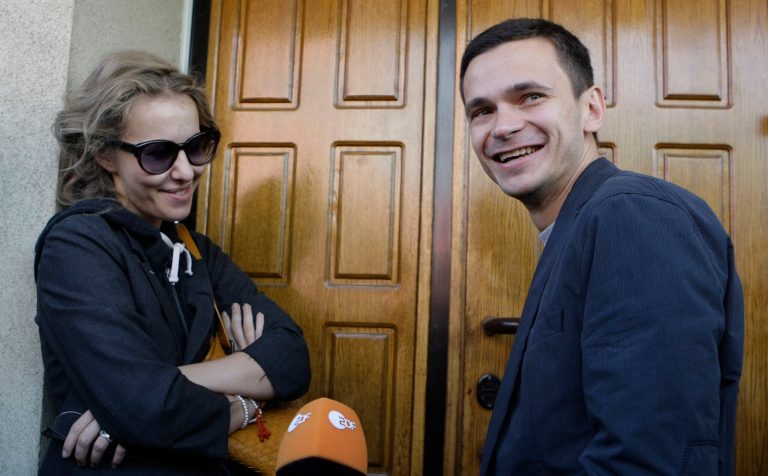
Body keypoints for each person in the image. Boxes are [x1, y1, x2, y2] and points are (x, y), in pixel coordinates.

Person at [460, 18, 743, 475]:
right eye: (481, 111)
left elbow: (647, 459)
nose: (504, 126)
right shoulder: (581, 224)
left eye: (530, 96)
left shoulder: (633, 216)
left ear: (591, 108)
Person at [34, 51, 311, 474]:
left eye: (196, 147)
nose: (185, 171)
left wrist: (161, 384)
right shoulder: (77, 245)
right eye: (159, 154)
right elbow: (146, 407)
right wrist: (247, 399)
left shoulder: (196, 249)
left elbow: (291, 358)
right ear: (107, 155)